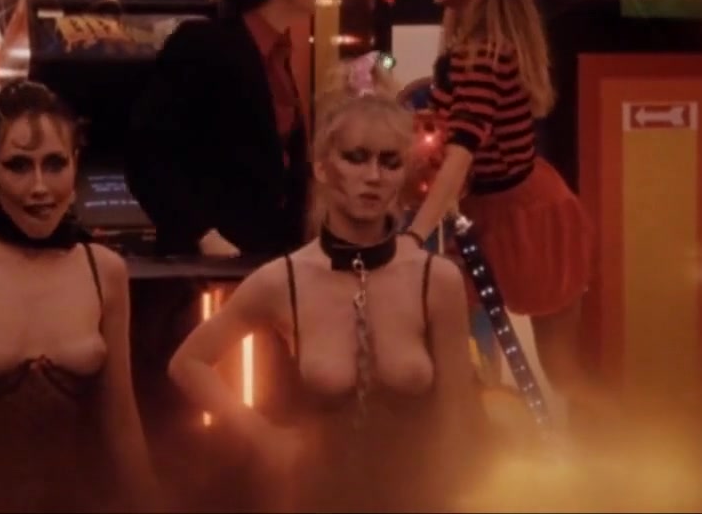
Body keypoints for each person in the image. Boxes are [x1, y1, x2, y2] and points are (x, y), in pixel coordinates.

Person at [168, 56, 483, 512]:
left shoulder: (435, 280)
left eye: (390, 161)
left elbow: (459, 415)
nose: (372, 176)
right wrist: (265, 438)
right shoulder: (285, 279)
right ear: (321, 167)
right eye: (355, 157)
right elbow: (188, 363)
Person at [0, 80, 160, 512]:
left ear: (76, 163)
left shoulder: (104, 271)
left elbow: (122, 427)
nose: (40, 187)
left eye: (55, 163)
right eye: (19, 166)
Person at [401, 0, 597, 410]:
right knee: (462, 351)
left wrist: (414, 235)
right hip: (496, 210)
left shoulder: (481, 56)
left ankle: (618, 445)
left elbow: (462, 153)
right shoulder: (470, 51)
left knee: (560, 369)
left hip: (524, 218)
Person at [126, 0, 336, 258]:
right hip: (211, 261)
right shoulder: (203, 45)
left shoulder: (278, 55)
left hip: (272, 254)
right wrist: (201, 234)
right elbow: (147, 155)